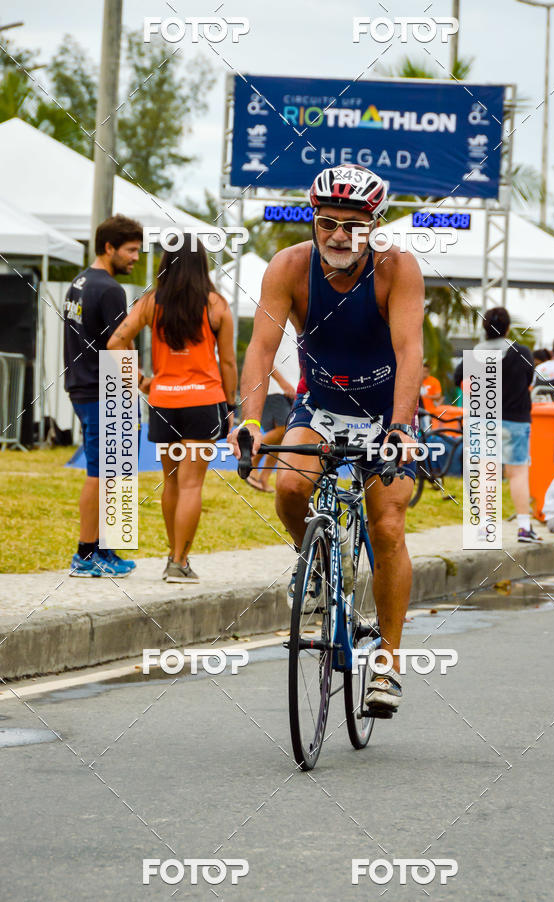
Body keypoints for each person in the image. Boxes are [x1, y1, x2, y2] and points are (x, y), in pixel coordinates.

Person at [230, 163, 424, 715]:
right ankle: (314, 560)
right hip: (322, 406)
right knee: (290, 487)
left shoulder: (397, 269)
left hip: (388, 410)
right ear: (313, 220)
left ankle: (387, 662)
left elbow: (410, 350)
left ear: (374, 224)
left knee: (387, 524)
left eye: (353, 225)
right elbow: (261, 349)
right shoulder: (289, 267)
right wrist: (247, 420)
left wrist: (403, 428)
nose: (339, 235)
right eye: (328, 223)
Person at [107, 234, 237, 583]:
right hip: (203, 402)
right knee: (192, 485)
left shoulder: (151, 303)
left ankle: (172, 556)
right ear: (201, 264)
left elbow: (115, 341)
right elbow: (227, 363)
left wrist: (142, 381)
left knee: (171, 483)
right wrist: (231, 403)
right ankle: (179, 561)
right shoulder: (217, 305)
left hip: (164, 401)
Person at [64, 214, 144, 577]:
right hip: (103, 389)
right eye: (130, 251)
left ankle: (106, 550)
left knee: (110, 471)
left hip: (82, 385)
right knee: (101, 472)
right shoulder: (111, 289)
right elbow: (119, 346)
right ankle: (85, 554)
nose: (136, 258)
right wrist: (140, 386)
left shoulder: (79, 281)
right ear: (109, 247)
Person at [454, 306, 541, 543]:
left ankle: (484, 529)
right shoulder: (522, 353)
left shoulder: (473, 355)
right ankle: (524, 528)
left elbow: (460, 380)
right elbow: (529, 381)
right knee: (518, 474)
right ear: (508, 328)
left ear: (484, 329)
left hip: (482, 421)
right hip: (515, 421)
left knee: (484, 473)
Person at [248, 320, 300, 492]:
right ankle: (251, 467)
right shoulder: (276, 321)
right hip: (275, 389)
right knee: (285, 429)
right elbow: (264, 357)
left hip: (293, 388)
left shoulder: (299, 325)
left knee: (283, 438)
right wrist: (283, 383)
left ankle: (263, 478)